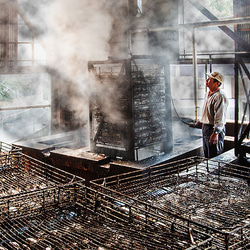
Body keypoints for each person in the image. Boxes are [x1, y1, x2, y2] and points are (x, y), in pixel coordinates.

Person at [197, 72, 229, 158]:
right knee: (207, 154)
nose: (207, 80)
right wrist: (202, 120)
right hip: (206, 128)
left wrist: (216, 133)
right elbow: (208, 111)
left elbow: (220, 116)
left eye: (210, 79)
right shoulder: (208, 94)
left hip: (213, 129)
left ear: (217, 83)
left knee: (215, 156)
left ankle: (216, 171)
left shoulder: (220, 96)